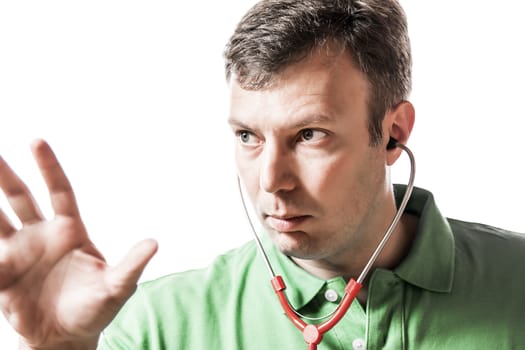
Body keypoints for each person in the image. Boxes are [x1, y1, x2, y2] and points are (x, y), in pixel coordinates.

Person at [1, 0, 524, 349]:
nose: (271, 180)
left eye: (309, 135)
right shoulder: (154, 328)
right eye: (248, 136)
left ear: (393, 134)